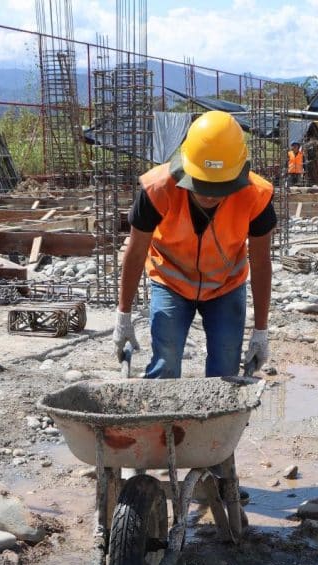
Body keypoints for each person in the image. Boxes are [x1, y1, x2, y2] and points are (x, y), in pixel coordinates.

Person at [113, 110, 275, 380]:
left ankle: (217, 422)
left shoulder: (255, 196)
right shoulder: (158, 188)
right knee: (166, 357)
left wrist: (261, 331)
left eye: (219, 187)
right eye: (202, 185)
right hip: (170, 282)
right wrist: (123, 316)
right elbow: (136, 250)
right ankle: (161, 421)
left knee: (226, 368)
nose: (209, 196)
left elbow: (260, 263)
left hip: (226, 285)